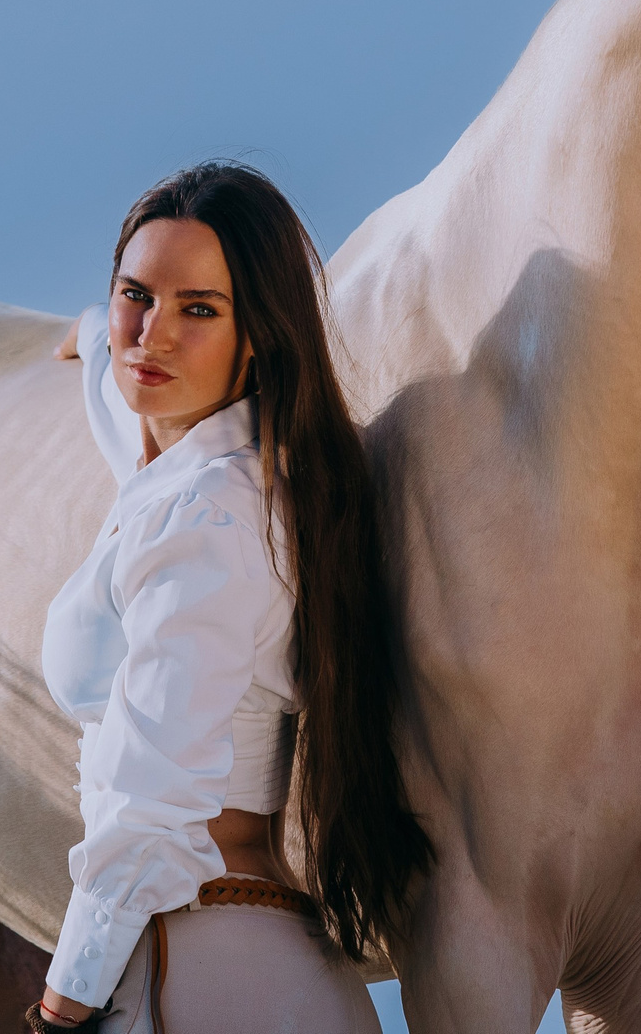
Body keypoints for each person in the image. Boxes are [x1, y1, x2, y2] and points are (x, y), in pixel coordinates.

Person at [30, 162, 432, 1033]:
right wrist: (95, 334)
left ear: (260, 335)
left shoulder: (208, 521)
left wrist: (59, 1012)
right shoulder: (201, 466)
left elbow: (148, 804)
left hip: (195, 964)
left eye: (199, 309)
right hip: (263, 964)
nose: (154, 334)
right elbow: (124, 385)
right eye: (137, 294)